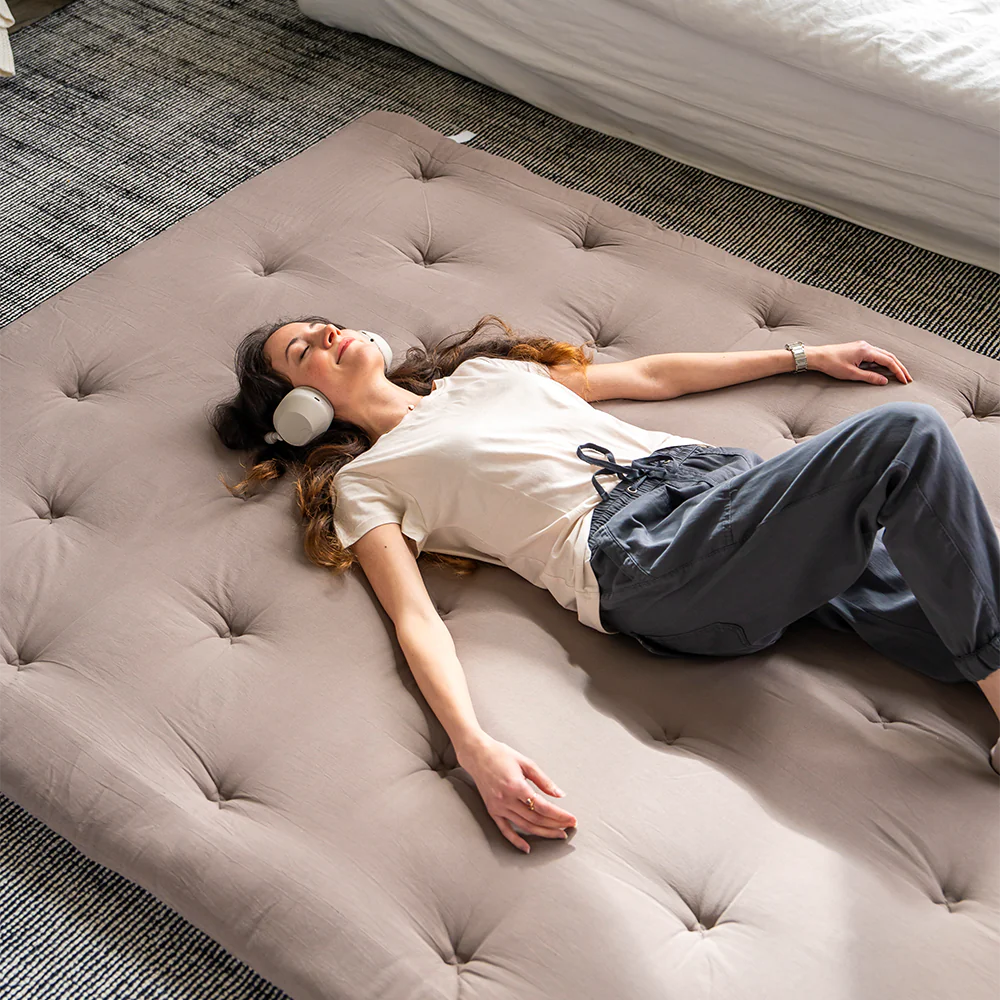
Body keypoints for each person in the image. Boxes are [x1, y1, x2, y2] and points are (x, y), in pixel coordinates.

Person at [209, 313, 1000, 854]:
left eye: (322, 322)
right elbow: (414, 618)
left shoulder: (487, 377)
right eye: (301, 349)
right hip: (644, 558)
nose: (326, 332)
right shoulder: (368, 481)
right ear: (302, 409)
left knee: (948, 570)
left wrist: (802, 355)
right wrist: (472, 745)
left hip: (721, 493)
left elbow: (650, 377)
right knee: (908, 434)